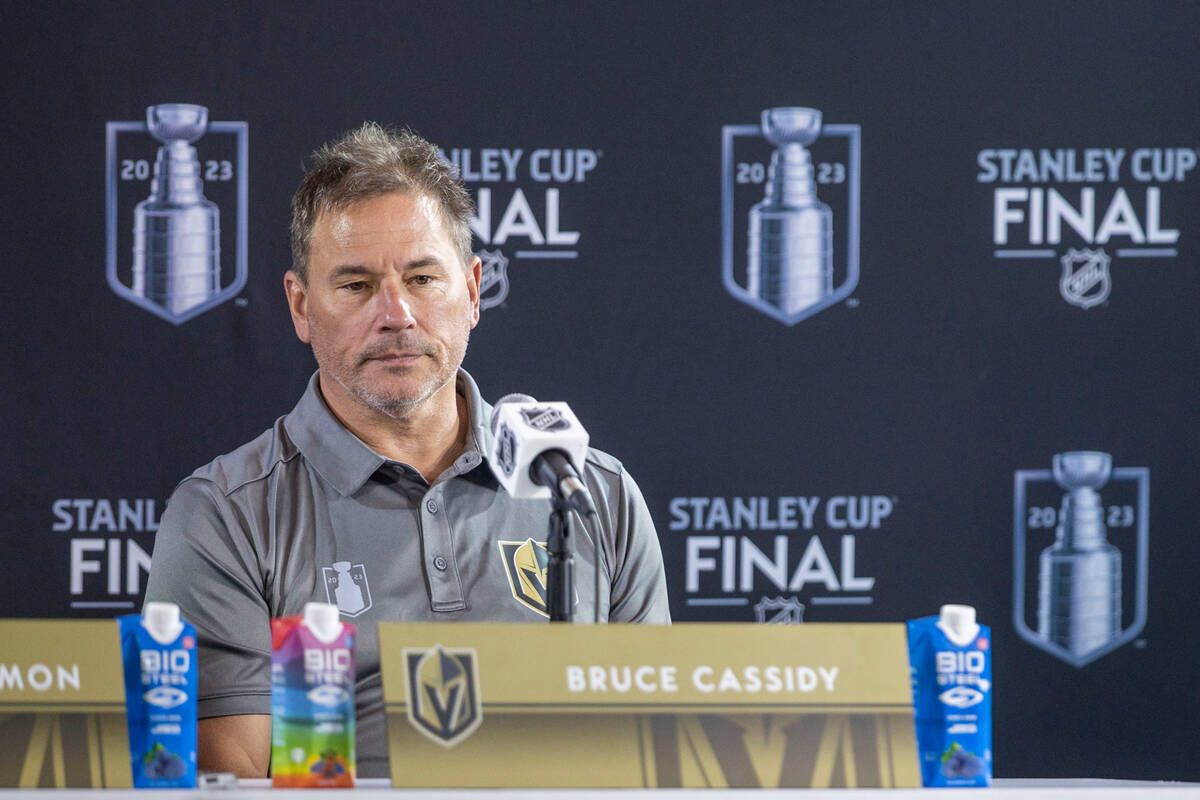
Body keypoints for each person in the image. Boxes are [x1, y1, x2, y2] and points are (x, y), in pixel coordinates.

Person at [144, 123, 670, 779]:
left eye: (423, 278)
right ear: (301, 306)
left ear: (474, 291)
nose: (396, 314)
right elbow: (237, 784)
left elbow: (650, 759)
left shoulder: (594, 495)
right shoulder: (225, 518)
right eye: (357, 286)